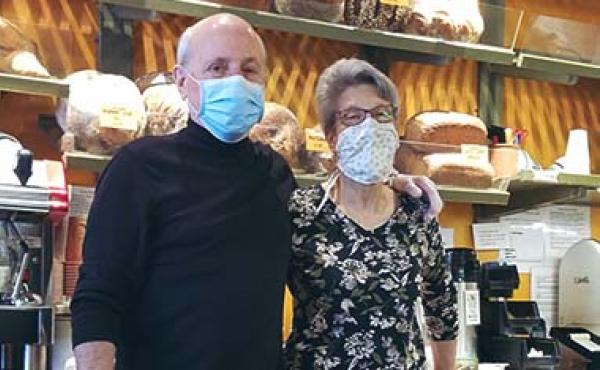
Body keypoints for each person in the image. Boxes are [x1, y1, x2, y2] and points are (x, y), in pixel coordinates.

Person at [71, 14, 444, 370]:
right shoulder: (138, 168)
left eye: (249, 69)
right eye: (217, 68)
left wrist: (389, 180)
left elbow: (336, 219)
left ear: (264, 80)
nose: (236, 80)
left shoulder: (275, 173)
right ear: (183, 82)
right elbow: (98, 298)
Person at [284, 58, 458, 370]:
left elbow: (442, 307)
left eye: (381, 114)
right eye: (353, 117)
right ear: (331, 136)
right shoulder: (302, 212)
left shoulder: (416, 212)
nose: (371, 127)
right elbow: (259, 298)